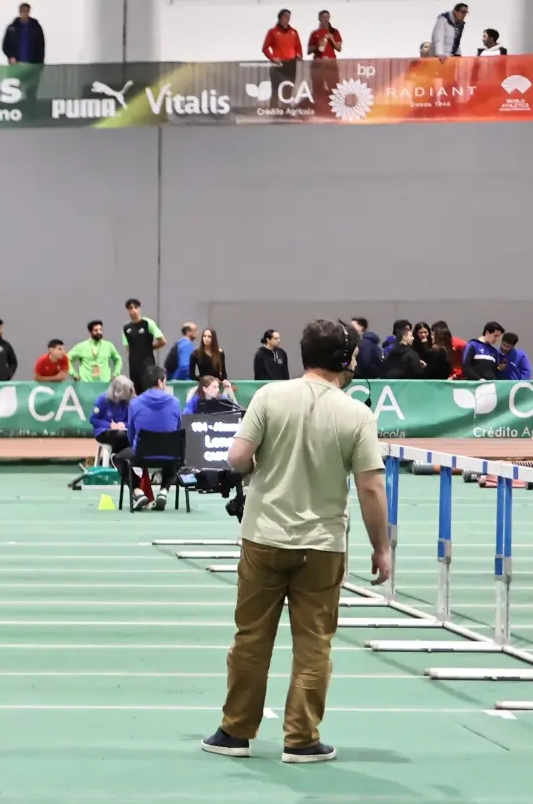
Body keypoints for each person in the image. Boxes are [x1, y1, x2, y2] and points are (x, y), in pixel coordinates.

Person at [201, 319, 388, 765]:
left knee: (250, 639)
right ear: (345, 360)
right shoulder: (357, 414)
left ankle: (235, 731)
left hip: (263, 536)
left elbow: (238, 458)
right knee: (313, 644)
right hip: (322, 544)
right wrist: (381, 547)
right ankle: (301, 738)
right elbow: (370, 488)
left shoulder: (268, 396)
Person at [116, 365, 183, 509]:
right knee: (176, 453)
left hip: (142, 455)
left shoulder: (135, 403)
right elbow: (178, 430)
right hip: (169, 454)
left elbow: (131, 434)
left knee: (118, 458)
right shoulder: (175, 402)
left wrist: (137, 446)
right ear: (160, 382)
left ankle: (138, 492)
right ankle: (163, 491)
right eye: (165, 380)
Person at [120, 299, 165, 389]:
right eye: (130, 308)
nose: (133, 310)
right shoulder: (126, 328)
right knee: (136, 391)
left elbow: (162, 341)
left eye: (135, 307)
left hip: (147, 364)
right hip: (134, 366)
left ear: (139, 309)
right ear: (128, 310)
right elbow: (128, 348)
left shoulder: (148, 323)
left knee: (148, 389)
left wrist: (149, 348)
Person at [90, 375, 136, 456]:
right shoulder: (102, 399)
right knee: (120, 436)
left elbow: (133, 420)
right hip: (103, 431)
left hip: (124, 430)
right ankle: (115, 459)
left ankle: (124, 460)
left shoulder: (129, 399)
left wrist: (124, 424)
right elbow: (93, 419)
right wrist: (110, 425)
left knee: (132, 436)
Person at [261, 9, 303, 88]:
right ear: (280, 17)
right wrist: (272, 58)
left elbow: (299, 48)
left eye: (289, 17)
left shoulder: (294, 32)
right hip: (278, 65)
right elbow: (265, 48)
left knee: (289, 91)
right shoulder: (273, 31)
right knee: (276, 91)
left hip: (291, 65)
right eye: (285, 16)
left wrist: (299, 55)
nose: (287, 18)